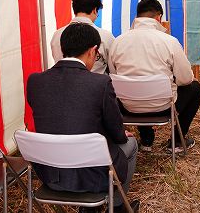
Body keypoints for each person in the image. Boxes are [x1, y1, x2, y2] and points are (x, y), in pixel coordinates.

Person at [27, 23, 139, 212]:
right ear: (92, 51)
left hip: (49, 174)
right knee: (130, 144)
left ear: (63, 48)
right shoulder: (100, 83)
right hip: (92, 175)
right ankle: (118, 206)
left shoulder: (35, 81)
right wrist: (120, 134)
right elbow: (116, 130)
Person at [109, 0, 200, 153]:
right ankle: (177, 141)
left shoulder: (118, 42)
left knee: (133, 86)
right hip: (164, 108)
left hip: (129, 108)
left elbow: (113, 75)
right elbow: (185, 79)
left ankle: (146, 139)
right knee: (195, 88)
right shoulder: (169, 41)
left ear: (137, 16)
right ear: (159, 17)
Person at [50, 0, 115, 74]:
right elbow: (113, 66)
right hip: (96, 85)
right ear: (95, 10)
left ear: (74, 10)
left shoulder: (56, 35)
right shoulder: (105, 36)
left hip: (62, 83)